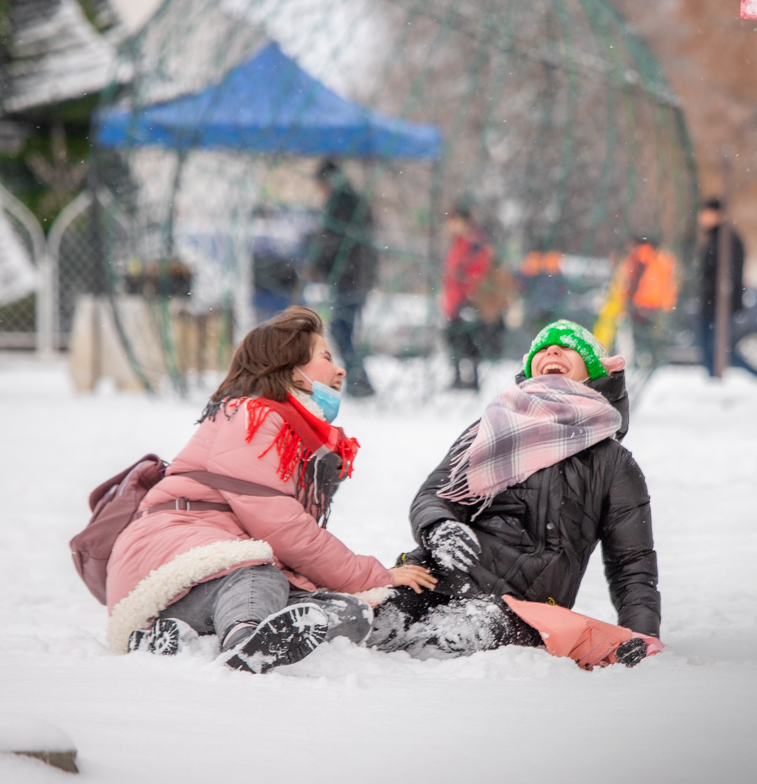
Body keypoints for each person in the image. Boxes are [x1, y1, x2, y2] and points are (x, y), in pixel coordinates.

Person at [105, 307, 435, 672]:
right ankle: (246, 640)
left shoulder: (282, 424)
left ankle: (178, 636)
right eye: (325, 357)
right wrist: (374, 575)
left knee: (347, 612)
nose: (339, 369)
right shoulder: (254, 416)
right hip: (176, 561)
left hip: (207, 582)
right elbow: (284, 530)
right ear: (291, 369)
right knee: (258, 577)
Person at [367, 320, 661, 667]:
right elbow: (436, 494)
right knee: (375, 615)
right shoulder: (490, 428)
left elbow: (631, 562)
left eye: (569, 347)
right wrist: (438, 526)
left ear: (593, 371)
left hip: (520, 606)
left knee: (455, 636)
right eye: (543, 348)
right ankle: (330, 621)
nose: (552, 350)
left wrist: (641, 633)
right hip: (437, 574)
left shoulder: (611, 462)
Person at [311, 160, 377, 397]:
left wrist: (318, 263)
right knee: (344, 329)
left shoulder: (341, 204)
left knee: (341, 329)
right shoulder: (352, 202)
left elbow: (333, 242)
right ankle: (359, 380)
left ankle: (360, 381)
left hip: (350, 277)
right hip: (357, 277)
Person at [593, 236, 679, 372]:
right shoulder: (660, 258)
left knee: (638, 337)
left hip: (641, 303)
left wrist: (627, 301)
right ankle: (646, 361)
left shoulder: (637, 258)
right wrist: (668, 303)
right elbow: (669, 283)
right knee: (648, 337)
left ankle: (641, 361)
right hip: (654, 305)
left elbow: (629, 283)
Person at [697, 197, 757, 377]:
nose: (702, 218)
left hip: (719, 305)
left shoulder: (726, 240)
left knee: (718, 349)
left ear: (717, 214)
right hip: (711, 304)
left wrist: (724, 299)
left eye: (706, 214)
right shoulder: (714, 238)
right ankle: (714, 381)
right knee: (711, 349)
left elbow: (730, 275)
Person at [440, 206, 497, 390]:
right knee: (454, 340)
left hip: (467, 302)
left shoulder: (474, 244)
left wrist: (467, 297)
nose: (450, 226)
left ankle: (471, 379)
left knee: (469, 341)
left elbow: (477, 272)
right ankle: (458, 377)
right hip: (454, 303)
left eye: (454, 222)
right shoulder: (458, 244)